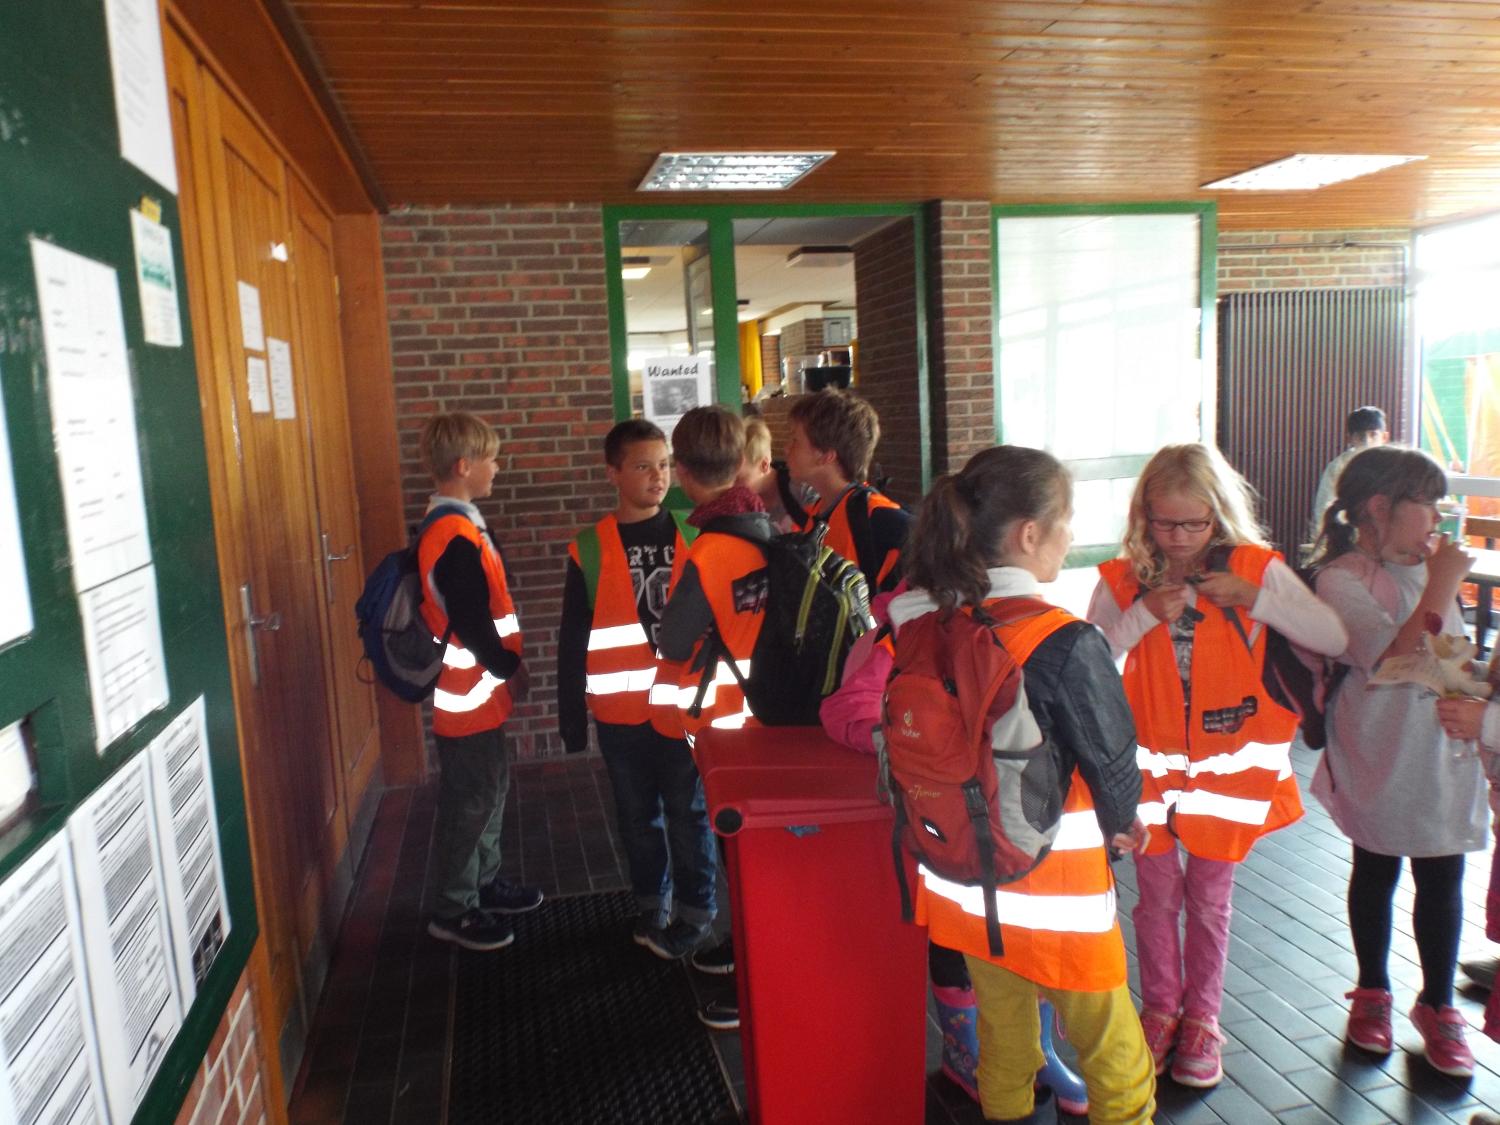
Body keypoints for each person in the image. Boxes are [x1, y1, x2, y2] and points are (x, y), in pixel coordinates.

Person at [899, 444, 1155, 1125]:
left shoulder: (929, 626)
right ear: (1030, 534)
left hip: (967, 884)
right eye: (1066, 521)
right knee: (1117, 1057)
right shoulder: (1062, 640)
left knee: (1006, 1042)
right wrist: (1126, 822)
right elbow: (1113, 767)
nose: (1071, 535)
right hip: (1056, 896)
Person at [1089, 443, 1346, 1088]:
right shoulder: (1123, 578)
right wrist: (1142, 616)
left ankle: (1203, 1018)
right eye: (1163, 523)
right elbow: (1089, 663)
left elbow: (1333, 636)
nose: (1177, 538)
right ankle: (1160, 1009)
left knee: (1209, 901)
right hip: (1149, 775)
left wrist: (1256, 598)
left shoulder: (1257, 568)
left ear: (1219, 514)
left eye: (1193, 524)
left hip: (1227, 777)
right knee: (1154, 900)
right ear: (1143, 516)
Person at [1311, 444, 1486, 1078]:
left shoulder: (1427, 569)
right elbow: (1389, 657)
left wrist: (1481, 697)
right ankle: (1372, 992)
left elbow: (1448, 657)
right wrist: (1443, 582)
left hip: (1442, 750)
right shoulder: (1341, 578)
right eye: (1428, 504)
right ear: (1380, 507)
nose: (1438, 517)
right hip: (1378, 750)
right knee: (1376, 866)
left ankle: (1438, 1005)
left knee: (1443, 876)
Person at [556, 419, 717, 959]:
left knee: (688, 815)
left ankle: (697, 911)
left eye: (664, 465)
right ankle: (652, 904)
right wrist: (570, 717)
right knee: (636, 818)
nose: (658, 476)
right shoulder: (589, 548)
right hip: (620, 715)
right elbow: (572, 637)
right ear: (613, 474)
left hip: (683, 710)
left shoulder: (696, 534)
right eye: (643, 466)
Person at [652, 406, 774, 1030]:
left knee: (743, 857)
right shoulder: (766, 527)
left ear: (681, 471)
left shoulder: (712, 548)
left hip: (725, 723)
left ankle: (757, 983)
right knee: (756, 854)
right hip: (768, 712)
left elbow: (674, 640)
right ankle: (748, 954)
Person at [416, 412, 542, 951]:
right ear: (465, 466)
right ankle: (454, 909)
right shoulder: (453, 534)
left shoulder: (461, 525)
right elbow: (470, 619)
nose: (498, 468)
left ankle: (483, 884)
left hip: (478, 693)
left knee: (489, 791)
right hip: (466, 696)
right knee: (471, 801)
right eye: (492, 459)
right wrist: (510, 669)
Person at [786, 389, 910, 592]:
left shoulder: (879, 520)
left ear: (826, 456)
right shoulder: (814, 513)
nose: (787, 449)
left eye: (795, 441)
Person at [1309, 406, 1388, 544]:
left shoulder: (1395, 466)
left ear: (1385, 437)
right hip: (1348, 539)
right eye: (1360, 436)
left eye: (1373, 434)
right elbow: (1323, 509)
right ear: (1349, 439)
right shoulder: (1338, 467)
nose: (1367, 441)